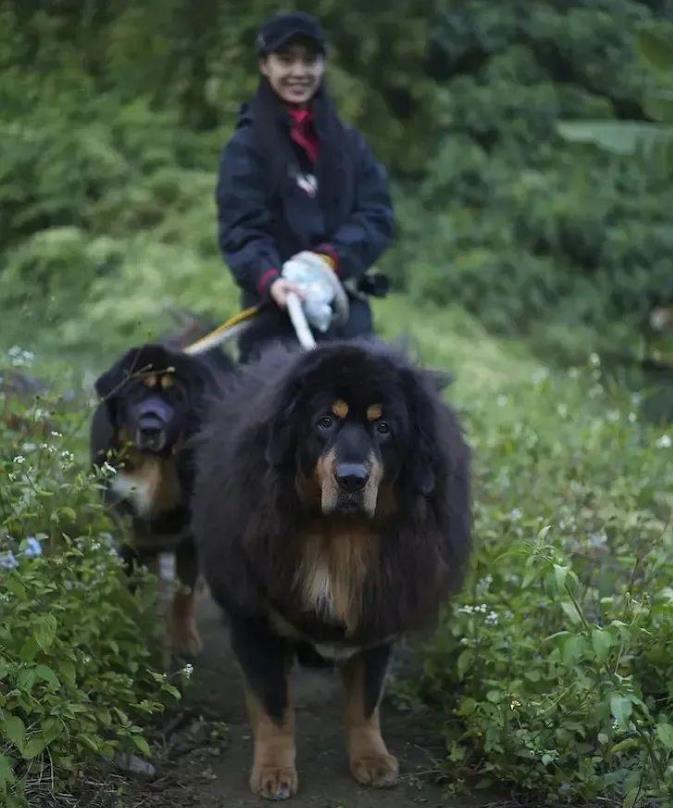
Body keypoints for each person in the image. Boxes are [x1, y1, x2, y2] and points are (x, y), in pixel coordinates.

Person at [216, 11, 395, 362]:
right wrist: (271, 280)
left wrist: (329, 260)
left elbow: (377, 215)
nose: (299, 72)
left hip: (346, 318)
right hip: (274, 322)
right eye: (286, 60)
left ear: (322, 65)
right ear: (265, 65)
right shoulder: (245, 147)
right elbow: (242, 230)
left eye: (309, 60)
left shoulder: (349, 144)